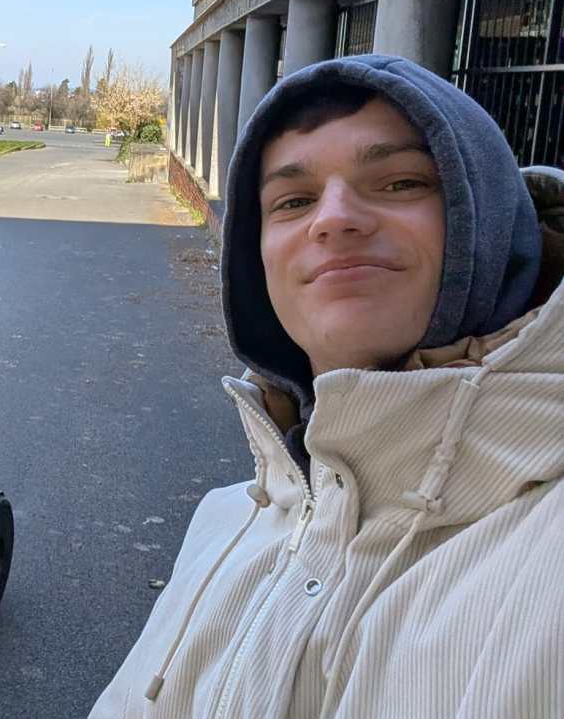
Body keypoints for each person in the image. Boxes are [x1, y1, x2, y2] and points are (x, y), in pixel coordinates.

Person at [89, 53, 563, 718]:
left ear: (487, 222)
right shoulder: (229, 518)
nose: (332, 218)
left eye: (399, 182)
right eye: (292, 200)